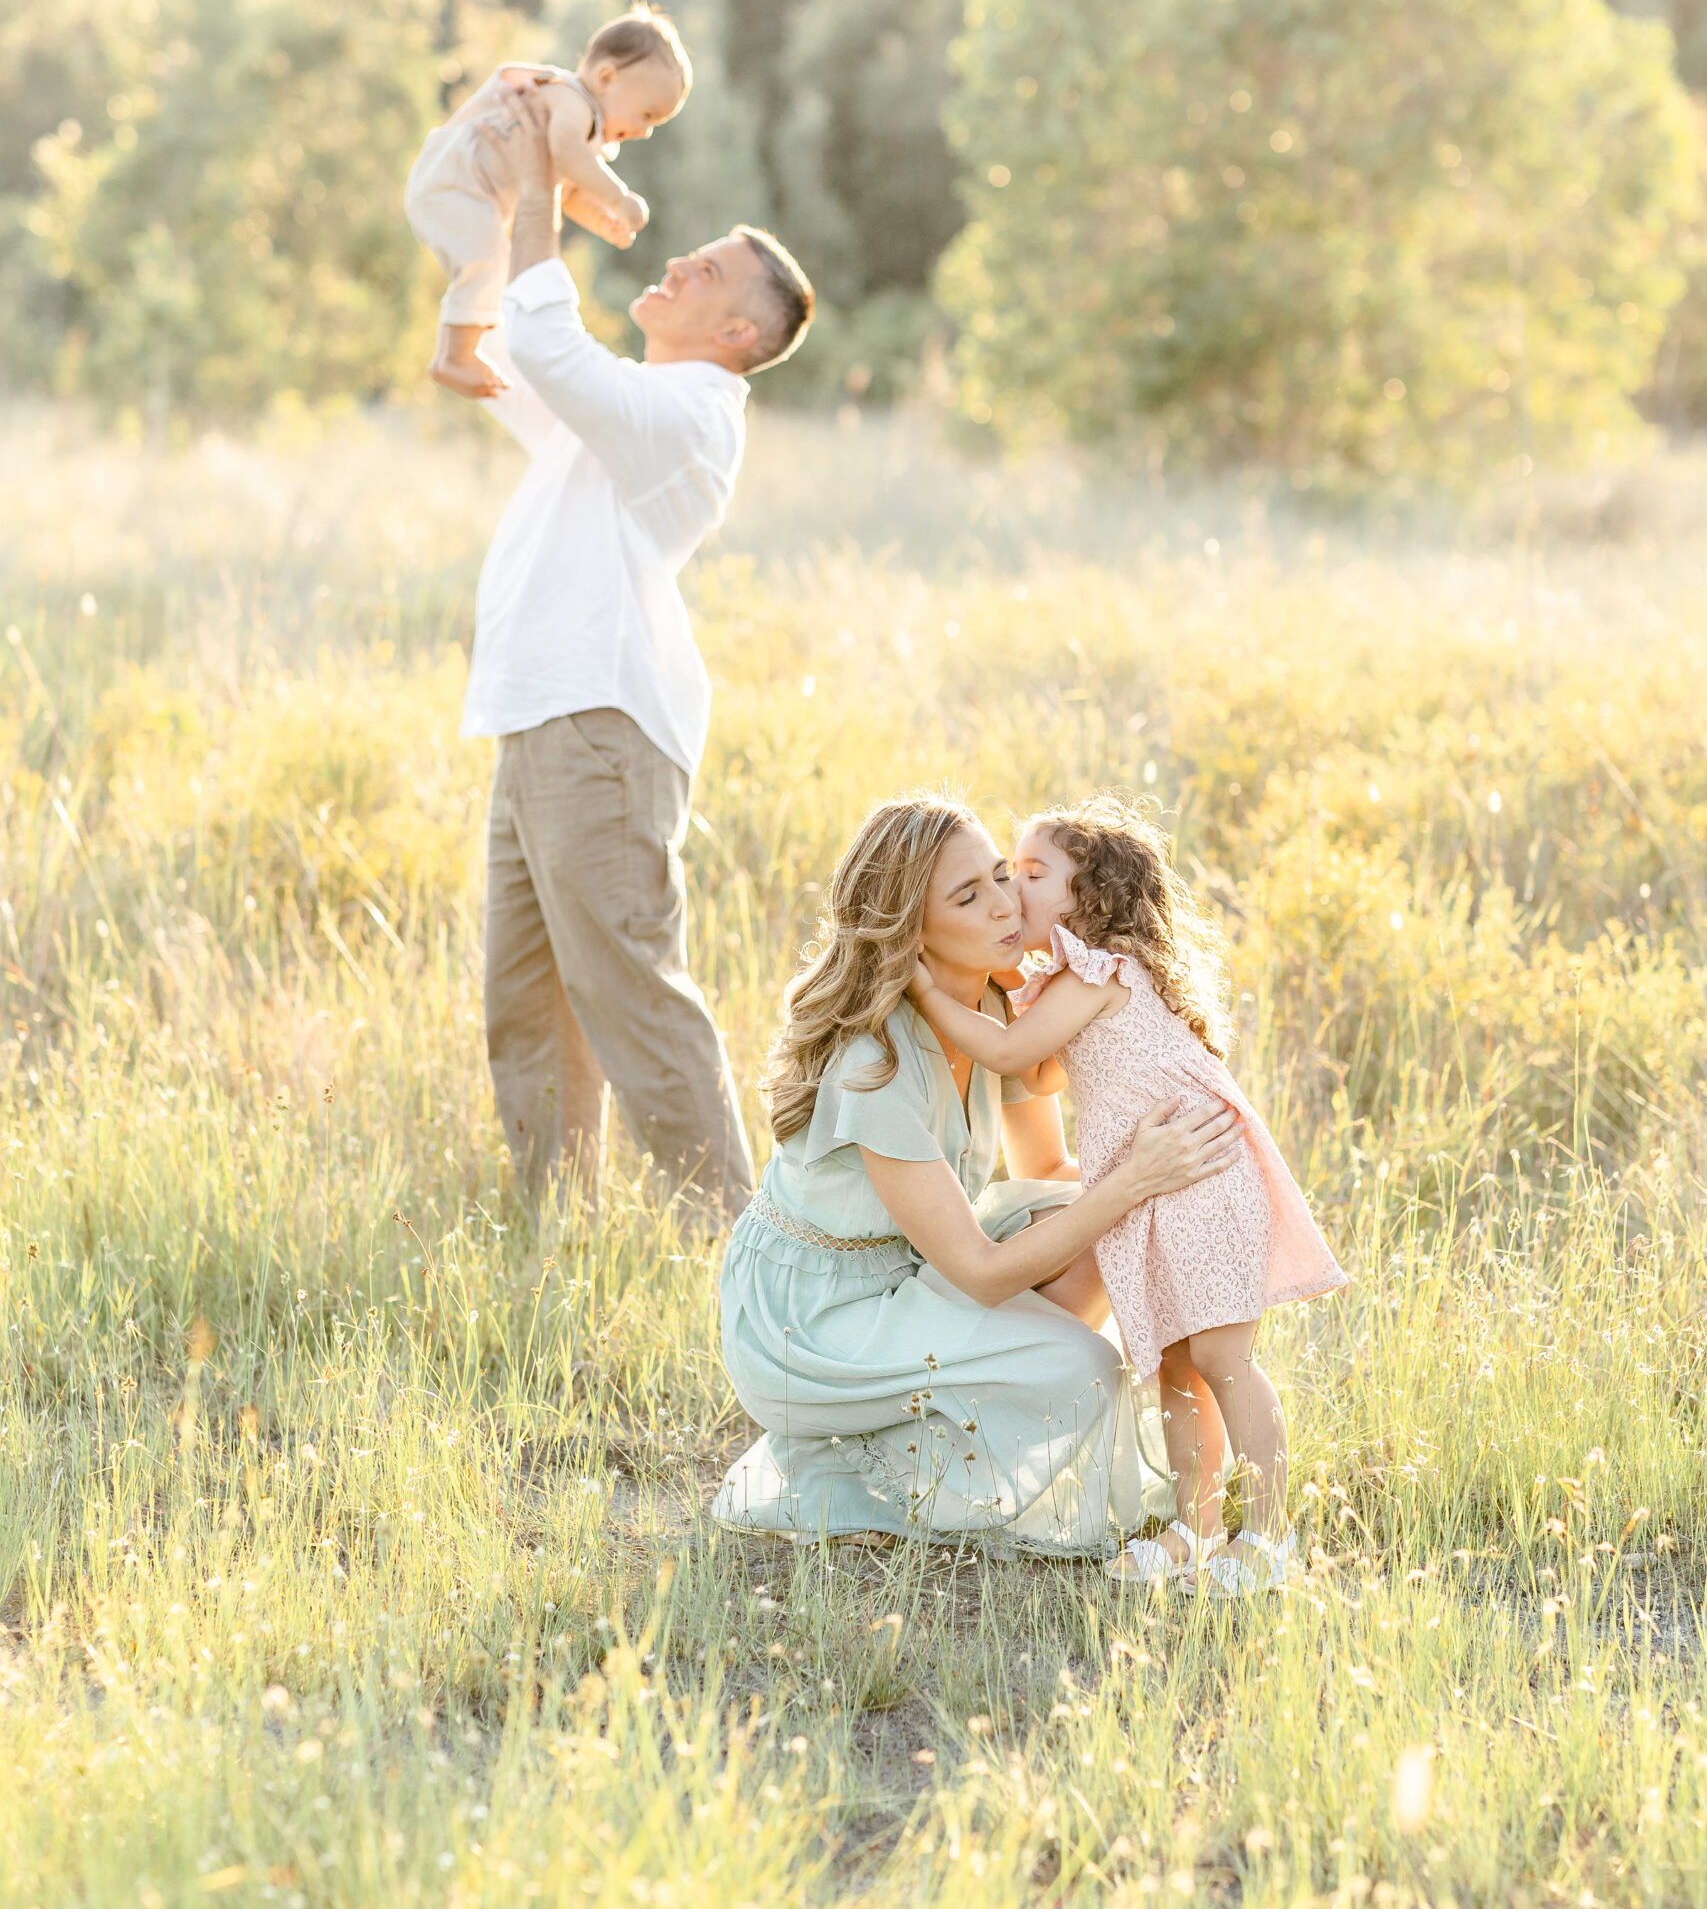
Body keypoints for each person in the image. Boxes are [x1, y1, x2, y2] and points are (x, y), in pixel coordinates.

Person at [458, 80, 815, 1221]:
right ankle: (555, 1229)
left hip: (601, 732)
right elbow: (520, 359)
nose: (676, 268)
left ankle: (739, 1243)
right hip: (540, 718)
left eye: (705, 272)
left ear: (740, 335)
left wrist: (540, 204)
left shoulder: (695, 413)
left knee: (630, 993)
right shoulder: (630, 403)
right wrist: (519, 165)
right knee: (524, 1001)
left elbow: (553, 349)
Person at [714, 794, 1245, 1552]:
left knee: (1110, 1222)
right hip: (813, 1320)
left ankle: (992, 1406)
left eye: (1002, 876)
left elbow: (1051, 1169)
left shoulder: (999, 1008)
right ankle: (850, 1463)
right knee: (1081, 1368)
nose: (1006, 905)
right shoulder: (875, 1064)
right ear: (912, 933)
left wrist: (1184, 1206)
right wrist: (1133, 1180)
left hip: (910, 1270)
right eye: (968, 896)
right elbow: (982, 1273)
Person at [910, 794, 1346, 1595]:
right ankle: (1194, 1530)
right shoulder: (1069, 985)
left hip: (1200, 1183)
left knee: (1220, 1357)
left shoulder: (1099, 972)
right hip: (1159, 1194)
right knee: (1173, 1366)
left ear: (1092, 898)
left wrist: (930, 995)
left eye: (1034, 874)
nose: (1013, 894)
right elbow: (1044, 1069)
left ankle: (1271, 1538)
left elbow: (1012, 1058)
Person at [406, 6, 692, 400]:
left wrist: (603, 219)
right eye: (646, 115)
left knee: (494, 265)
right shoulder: (568, 97)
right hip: (453, 181)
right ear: (606, 78)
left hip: (468, 193)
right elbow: (566, 151)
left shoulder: (586, 132)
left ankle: (462, 350)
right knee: (488, 261)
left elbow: (567, 193)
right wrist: (619, 197)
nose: (644, 133)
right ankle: (454, 356)